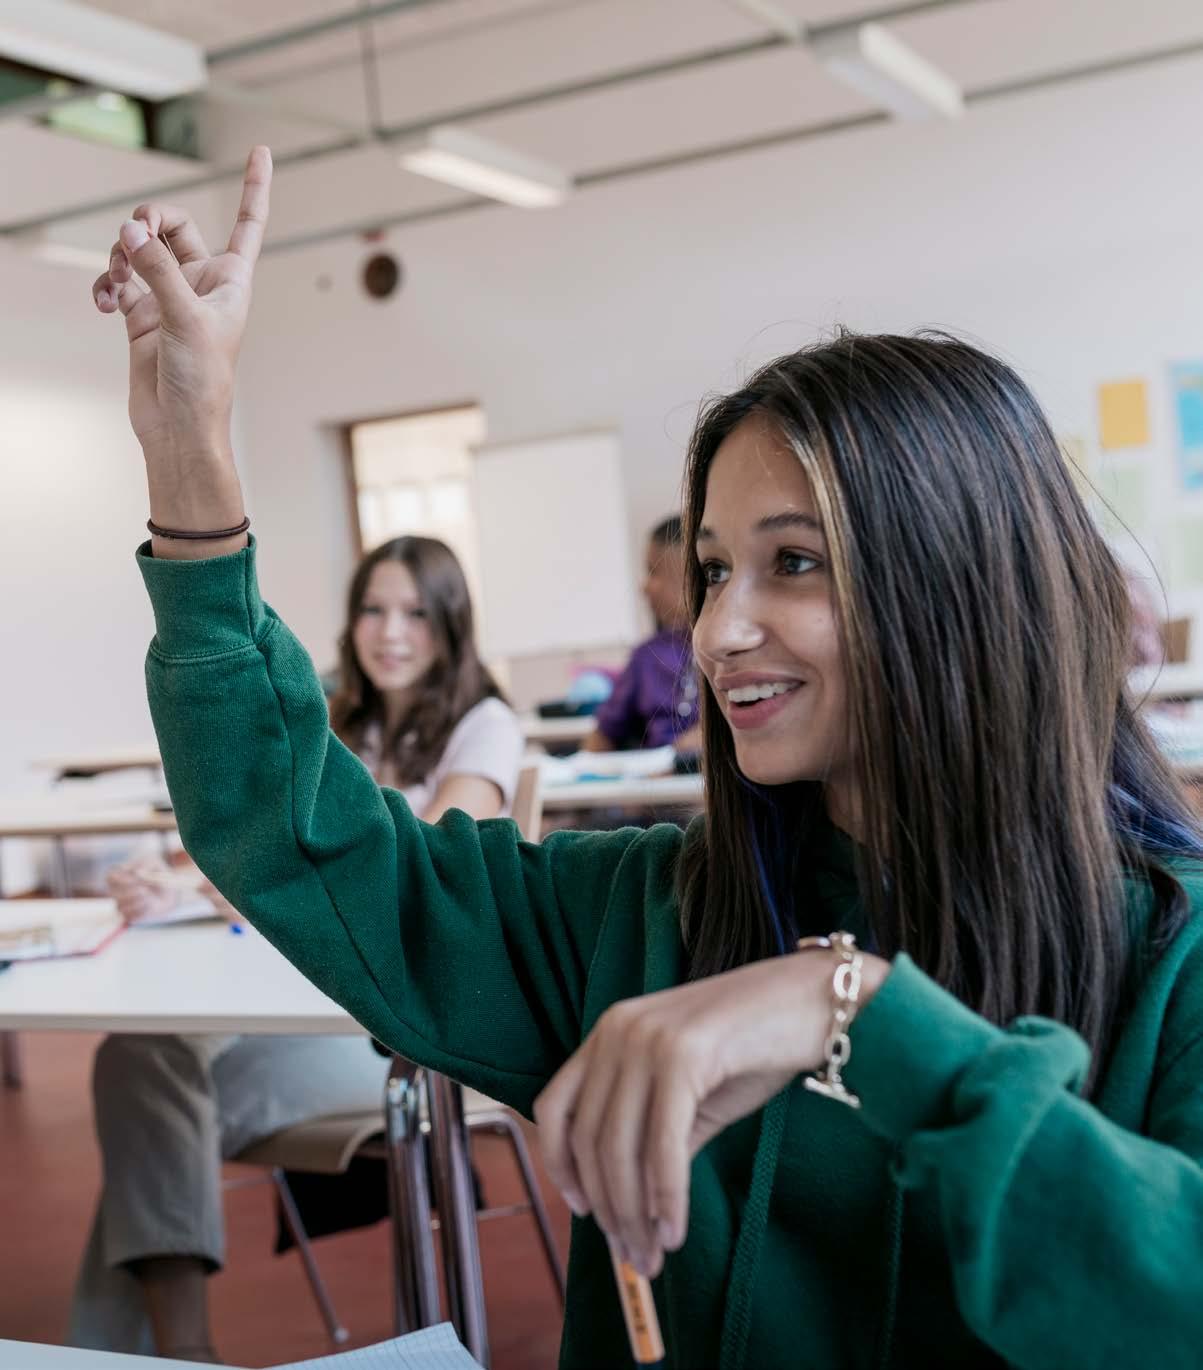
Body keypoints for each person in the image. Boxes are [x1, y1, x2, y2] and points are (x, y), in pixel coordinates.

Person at [91, 149, 1203, 1368]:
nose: (717, 630)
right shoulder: (645, 913)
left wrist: (852, 1008)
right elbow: (306, 844)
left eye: (794, 561)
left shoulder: (1173, 955)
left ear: (962, 582)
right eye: (715, 569)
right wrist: (190, 453)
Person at [69, 530, 523, 1362]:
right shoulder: (340, 720)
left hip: (397, 1031)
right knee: (140, 1062)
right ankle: (180, 1353)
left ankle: (159, 1354)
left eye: (416, 613)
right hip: (300, 1001)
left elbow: (421, 861)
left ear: (452, 625)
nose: (390, 633)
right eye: (373, 610)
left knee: (150, 1109)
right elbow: (259, 838)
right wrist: (174, 876)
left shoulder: (484, 725)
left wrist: (234, 879)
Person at [582, 515, 701, 754]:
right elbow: (602, 735)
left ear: (690, 574)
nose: (645, 587)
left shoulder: (728, 651)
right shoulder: (647, 657)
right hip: (658, 772)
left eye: (653, 571)